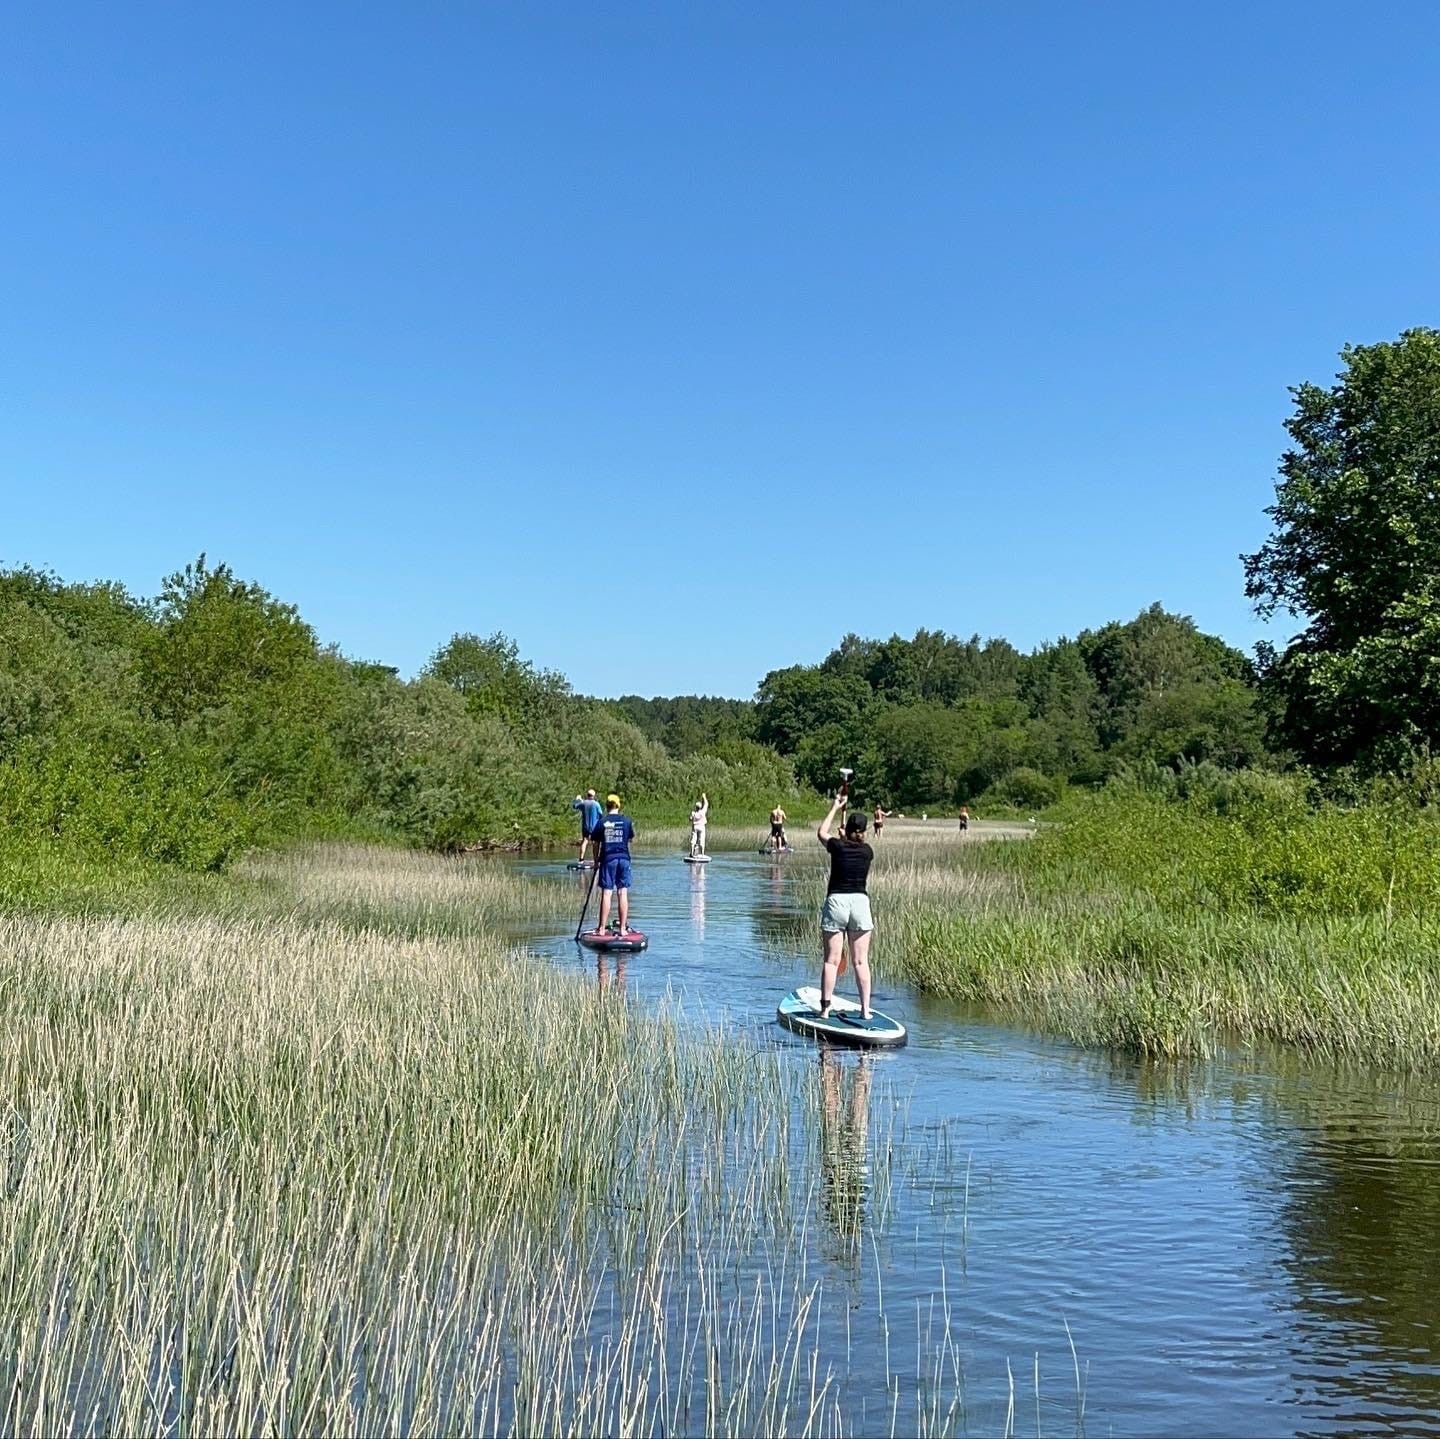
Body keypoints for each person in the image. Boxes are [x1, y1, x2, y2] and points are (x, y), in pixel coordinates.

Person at [815, 786, 875, 1020]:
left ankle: (825, 1009)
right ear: (863, 832)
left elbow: (821, 832)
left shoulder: (837, 847)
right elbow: (853, 846)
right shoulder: (868, 851)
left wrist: (835, 807)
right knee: (861, 961)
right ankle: (865, 1011)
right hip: (860, 903)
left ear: (847, 829)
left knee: (831, 961)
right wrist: (843, 838)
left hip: (837, 902)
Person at [595, 794, 636, 935]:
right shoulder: (627, 821)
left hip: (608, 859)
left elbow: (596, 843)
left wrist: (596, 861)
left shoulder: (602, 822)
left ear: (607, 806)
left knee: (607, 893)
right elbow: (630, 840)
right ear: (618, 805)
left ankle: (601, 928)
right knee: (622, 892)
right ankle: (623, 928)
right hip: (624, 858)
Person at [571, 788, 603, 863]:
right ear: (594, 796)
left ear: (587, 795)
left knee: (585, 841)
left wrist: (578, 800)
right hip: (594, 827)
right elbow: (601, 814)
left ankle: (581, 859)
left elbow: (574, 806)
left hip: (585, 826)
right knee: (595, 842)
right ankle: (596, 860)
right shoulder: (596, 804)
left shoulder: (583, 803)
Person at [689, 792, 709, 857]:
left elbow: (690, 819)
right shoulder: (703, 812)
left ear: (696, 807)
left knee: (693, 839)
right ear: (700, 807)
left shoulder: (693, 813)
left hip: (695, 827)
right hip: (701, 827)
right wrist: (704, 797)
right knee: (702, 839)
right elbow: (706, 804)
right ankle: (702, 854)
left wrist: (692, 817)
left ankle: (692, 853)